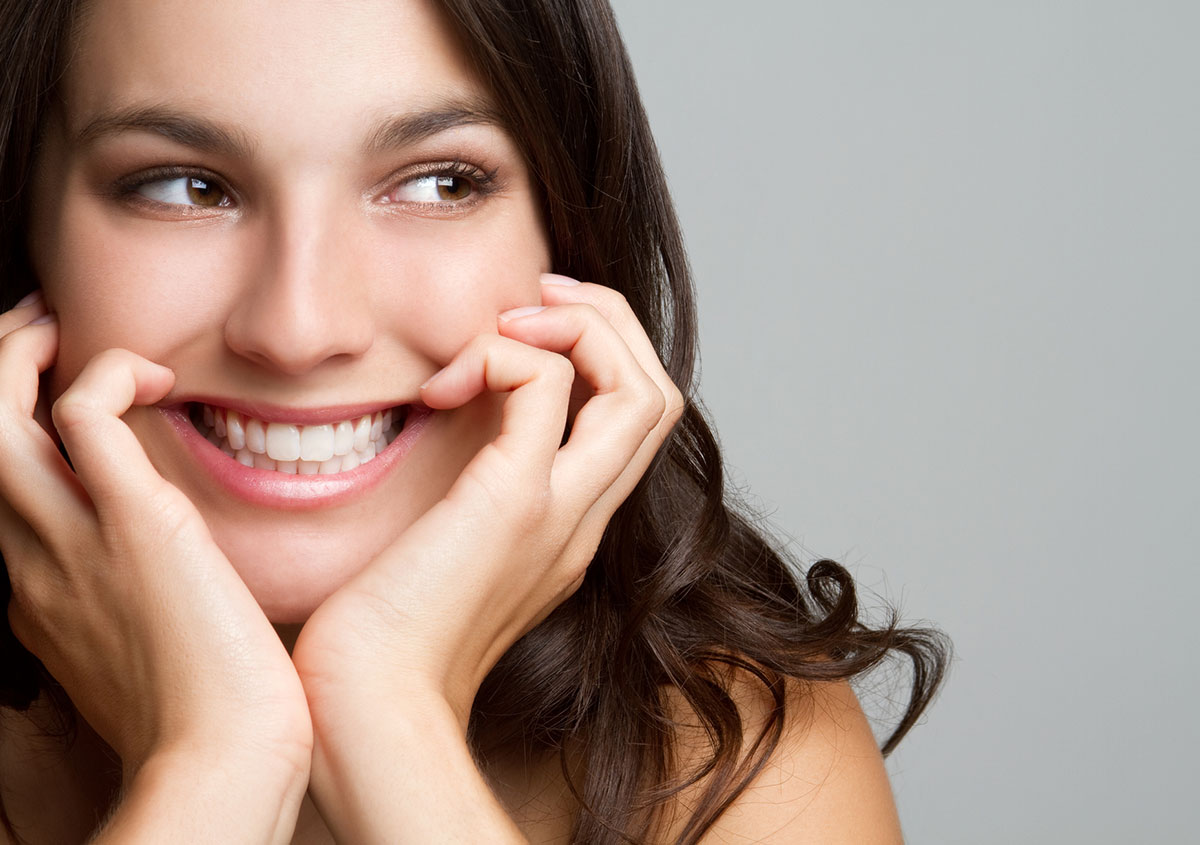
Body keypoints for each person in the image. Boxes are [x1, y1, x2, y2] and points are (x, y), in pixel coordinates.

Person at [0, 0, 948, 842]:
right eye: (183, 184)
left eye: (439, 182)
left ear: (568, 239)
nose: (299, 329)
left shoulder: (736, 760)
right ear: (24, 228)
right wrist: (208, 763)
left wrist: (391, 728)